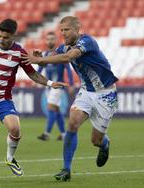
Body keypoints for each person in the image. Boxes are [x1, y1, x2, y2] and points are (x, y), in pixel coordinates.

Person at [0, 18, 68, 182]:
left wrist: (51, 83)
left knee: (15, 129)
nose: (2, 39)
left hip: (3, 101)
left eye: (6, 37)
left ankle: (10, 158)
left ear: (14, 36)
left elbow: (33, 74)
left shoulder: (20, 53)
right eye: (0, 36)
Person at [22, 16, 118, 181]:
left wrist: (41, 59)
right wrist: (41, 58)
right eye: (62, 30)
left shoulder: (87, 41)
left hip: (106, 94)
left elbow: (68, 57)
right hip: (86, 92)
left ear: (77, 28)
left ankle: (104, 143)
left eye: (67, 29)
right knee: (72, 124)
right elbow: (50, 60)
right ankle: (66, 169)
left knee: (96, 140)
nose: (63, 33)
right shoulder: (63, 47)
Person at [36, 31, 74, 141]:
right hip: (48, 87)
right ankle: (63, 134)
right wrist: (36, 78)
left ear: (56, 40)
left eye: (52, 39)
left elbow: (68, 69)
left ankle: (46, 133)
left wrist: (71, 84)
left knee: (51, 108)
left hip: (58, 87)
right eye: (48, 39)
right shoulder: (45, 54)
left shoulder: (60, 54)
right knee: (56, 110)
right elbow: (40, 68)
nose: (50, 41)